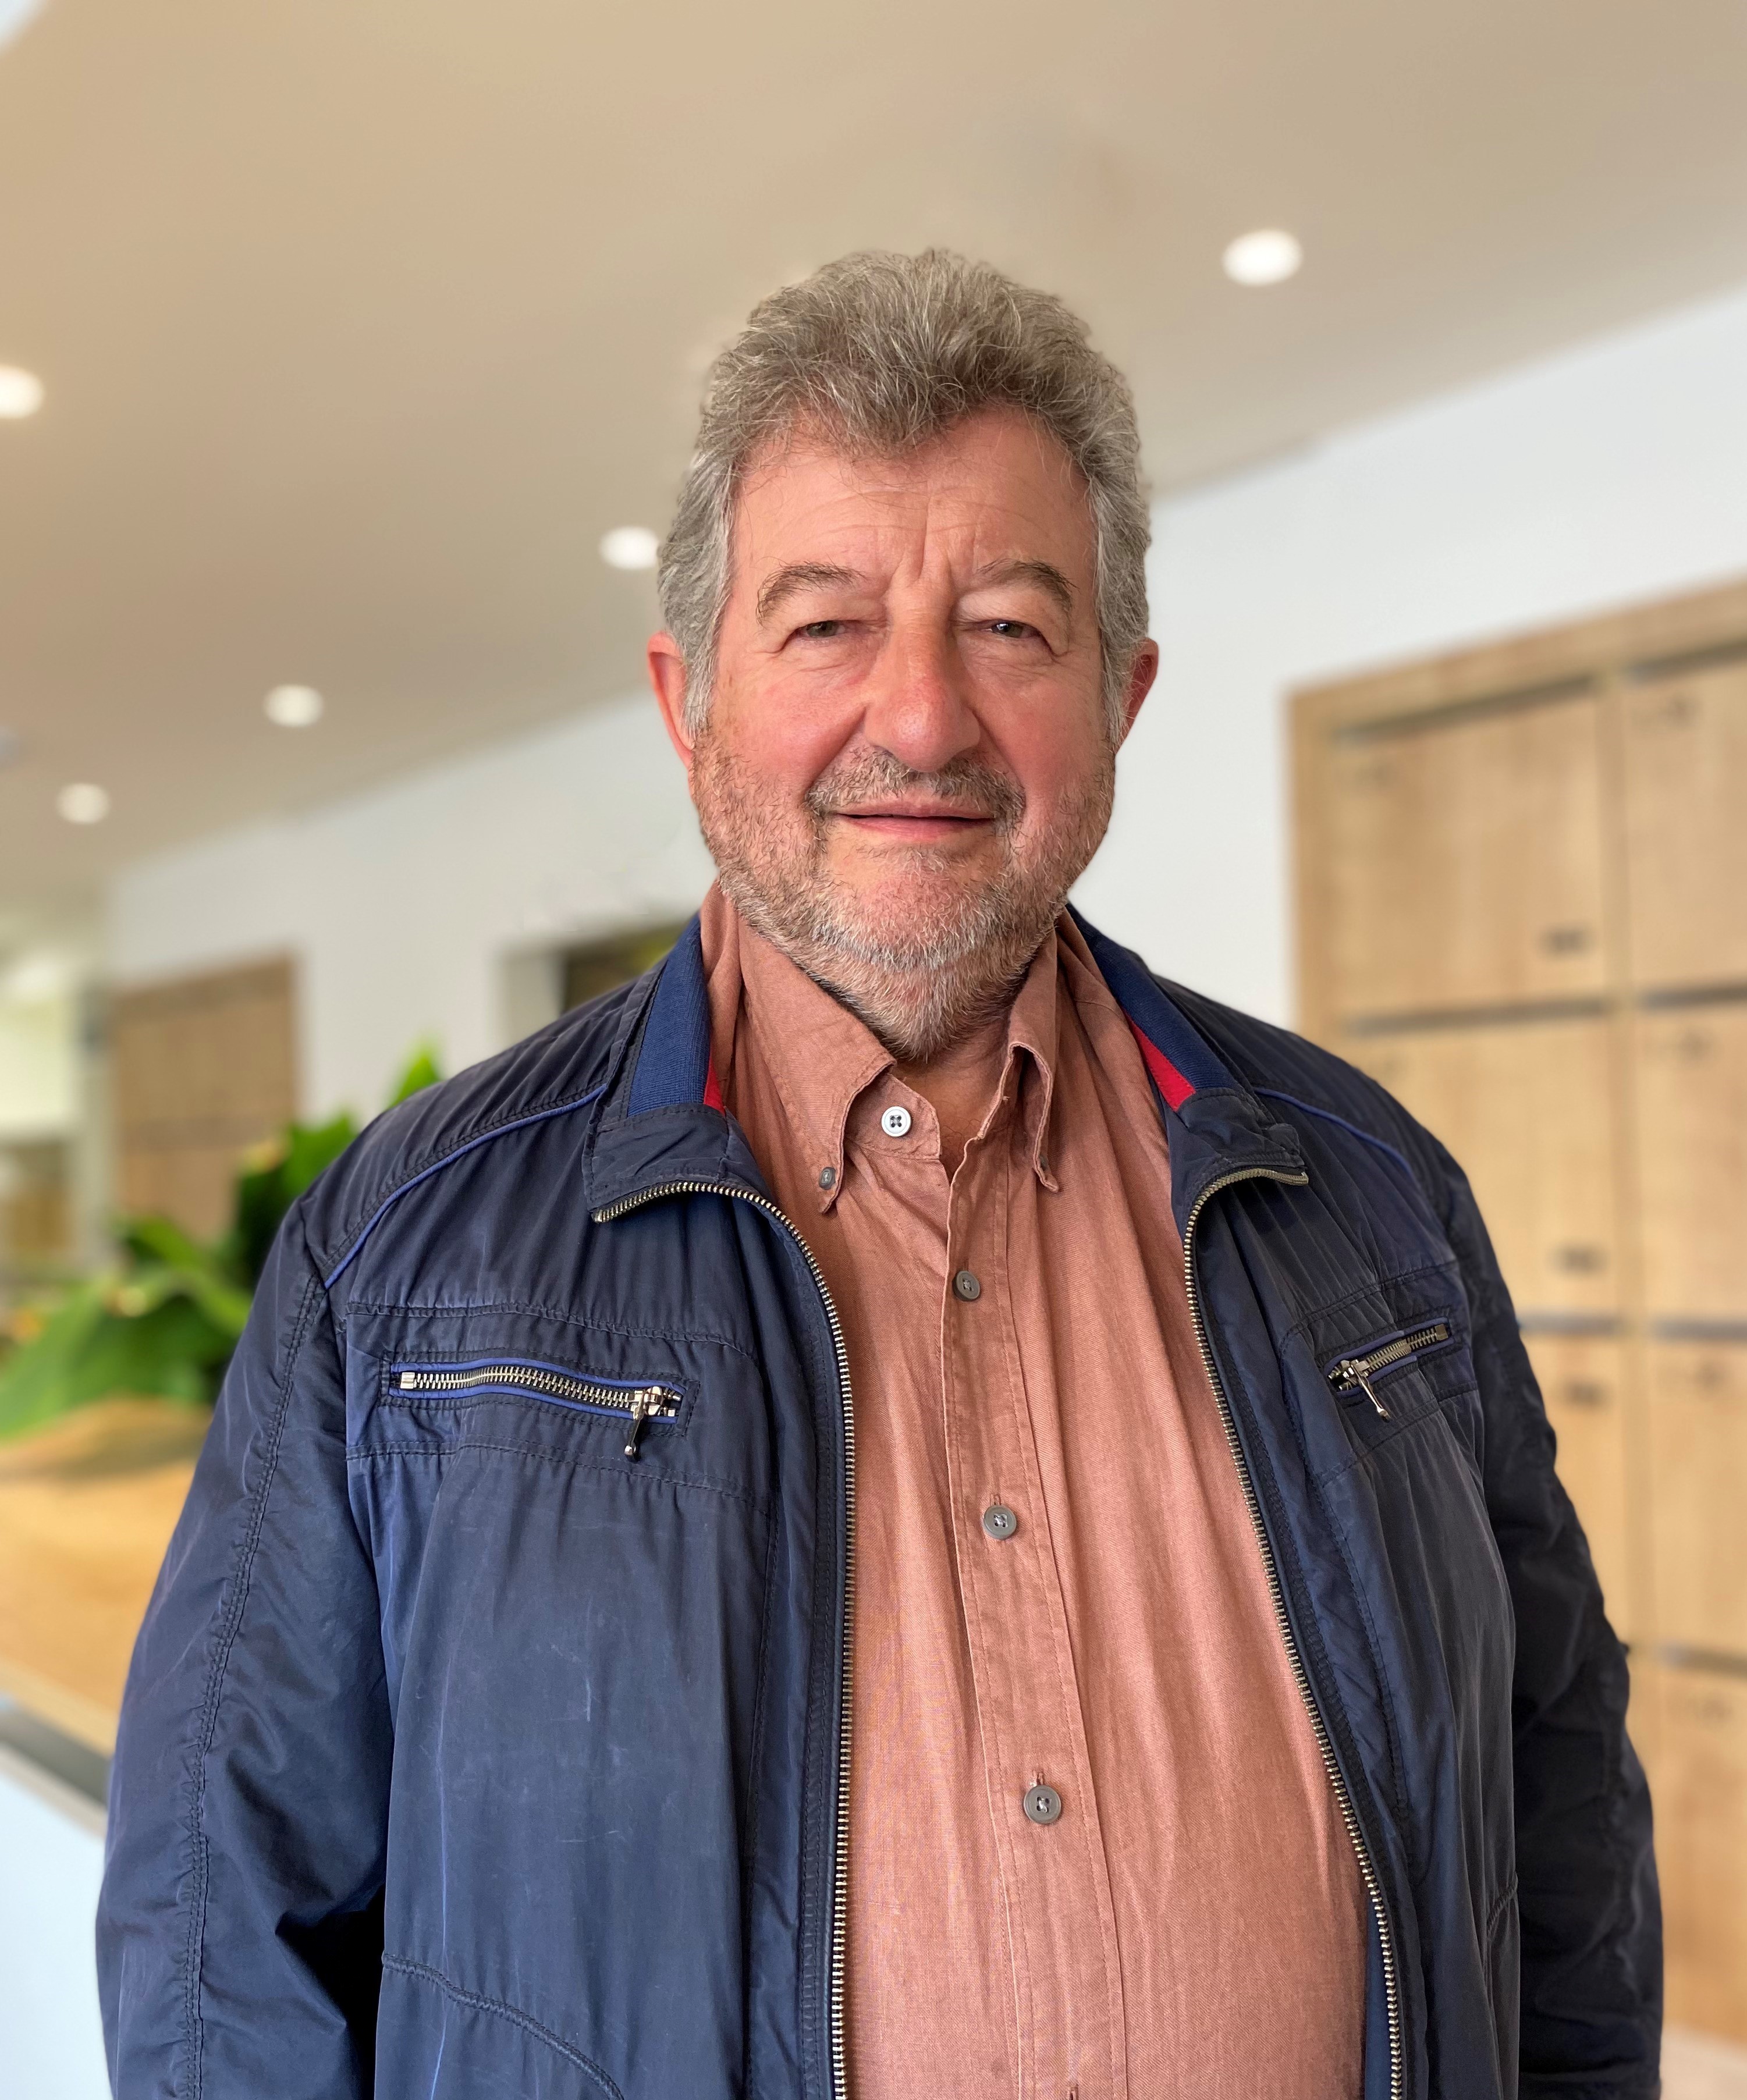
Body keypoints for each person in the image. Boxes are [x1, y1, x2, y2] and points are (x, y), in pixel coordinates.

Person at [98, 250, 1659, 2100]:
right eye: (826, 623)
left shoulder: (1371, 1192)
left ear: (1121, 693)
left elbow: (1556, 1813)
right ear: (688, 698)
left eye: (1007, 625)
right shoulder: (401, 1247)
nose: (919, 719)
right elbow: (221, 1937)